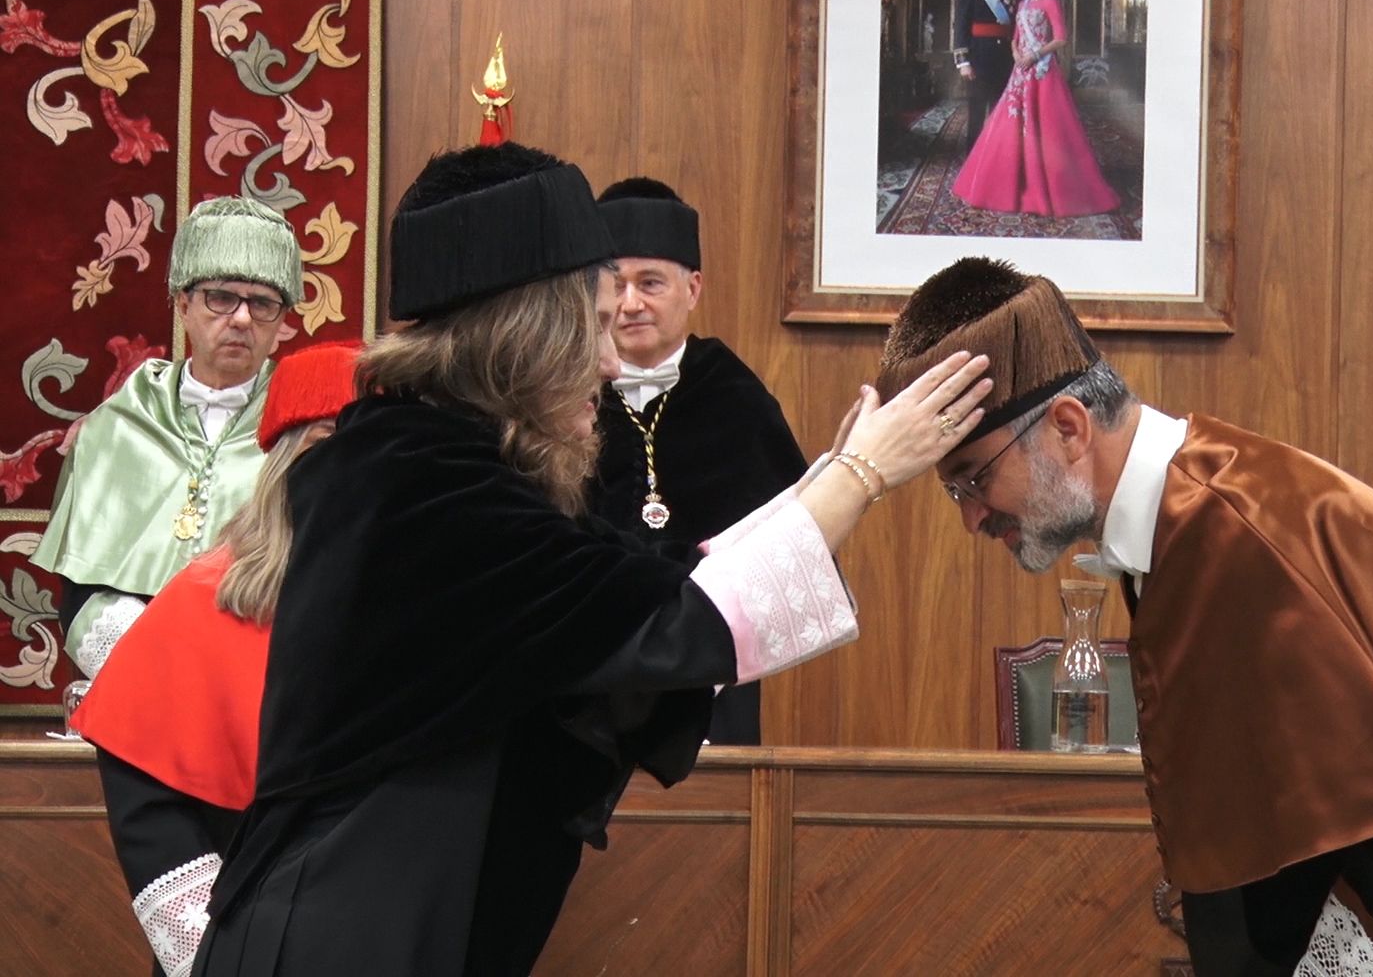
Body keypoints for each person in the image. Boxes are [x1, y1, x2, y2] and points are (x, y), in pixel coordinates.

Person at [191, 143, 993, 976]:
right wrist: (863, 476)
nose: (612, 365)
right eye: (595, 326)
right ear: (524, 332)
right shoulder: (421, 485)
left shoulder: (434, 465)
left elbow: (661, 579)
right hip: (345, 939)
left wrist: (833, 480)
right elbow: (679, 620)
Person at [876, 258, 1373, 975]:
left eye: (973, 477)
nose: (972, 516)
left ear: (1069, 428)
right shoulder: (1177, 519)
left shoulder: (1242, 533)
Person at [71, 341, 360, 977]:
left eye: (369, 451)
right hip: (231, 937)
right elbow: (151, 809)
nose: (349, 469)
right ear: (284, 462)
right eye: (324, 444)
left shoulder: (422, 600)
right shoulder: (204, 597)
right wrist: (228, 953)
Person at [32, 196, 302, 678]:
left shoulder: (308, 434)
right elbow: (79, 593)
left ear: (282, 321)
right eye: (221, 297)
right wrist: (155, 670)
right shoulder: (114, 429)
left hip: (257, 695)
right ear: (183, 303)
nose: (241, 319)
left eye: (262, 303)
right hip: (133, 688)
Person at [590, 175, 807, 744]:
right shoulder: (563, 396)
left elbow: (786, 540)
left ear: (693, 288)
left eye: (651, 283)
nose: (631, 303)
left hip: (711, 668)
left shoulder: (735, 395)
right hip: (592, 665)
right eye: (617, 285)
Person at [952, 0, 1120, 217]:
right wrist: (1018, 55)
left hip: (1042, 71)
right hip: (1021, 71)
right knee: (1009, 124)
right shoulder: (1022, 4)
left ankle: (1049, 185)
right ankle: (1007, 183)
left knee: (1046, 127)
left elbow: (1061, 39)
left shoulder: (1051, 3)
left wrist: (1034, 55)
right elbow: (1015, 37)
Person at [953, 0, 1017, 149]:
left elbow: (1019, 23)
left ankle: (1000, 160)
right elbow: (961, 23)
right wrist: (963, 62)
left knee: (1004, 113)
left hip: (1007, 58)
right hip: (978, 57)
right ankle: (973, 162)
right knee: (977, 114)